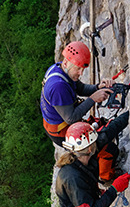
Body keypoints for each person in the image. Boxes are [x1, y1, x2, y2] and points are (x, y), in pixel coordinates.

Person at [40, 40, 122, 182]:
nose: (80, 73)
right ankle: (105, 178)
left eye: (82, 69)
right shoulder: (57, 86)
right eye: (78, 69)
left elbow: (80, 88)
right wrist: (92, 99)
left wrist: (97, 87)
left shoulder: (61, 70)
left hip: (61, 122)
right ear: (66, 63)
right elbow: (71, 118)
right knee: (101, 146)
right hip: (61, 130)